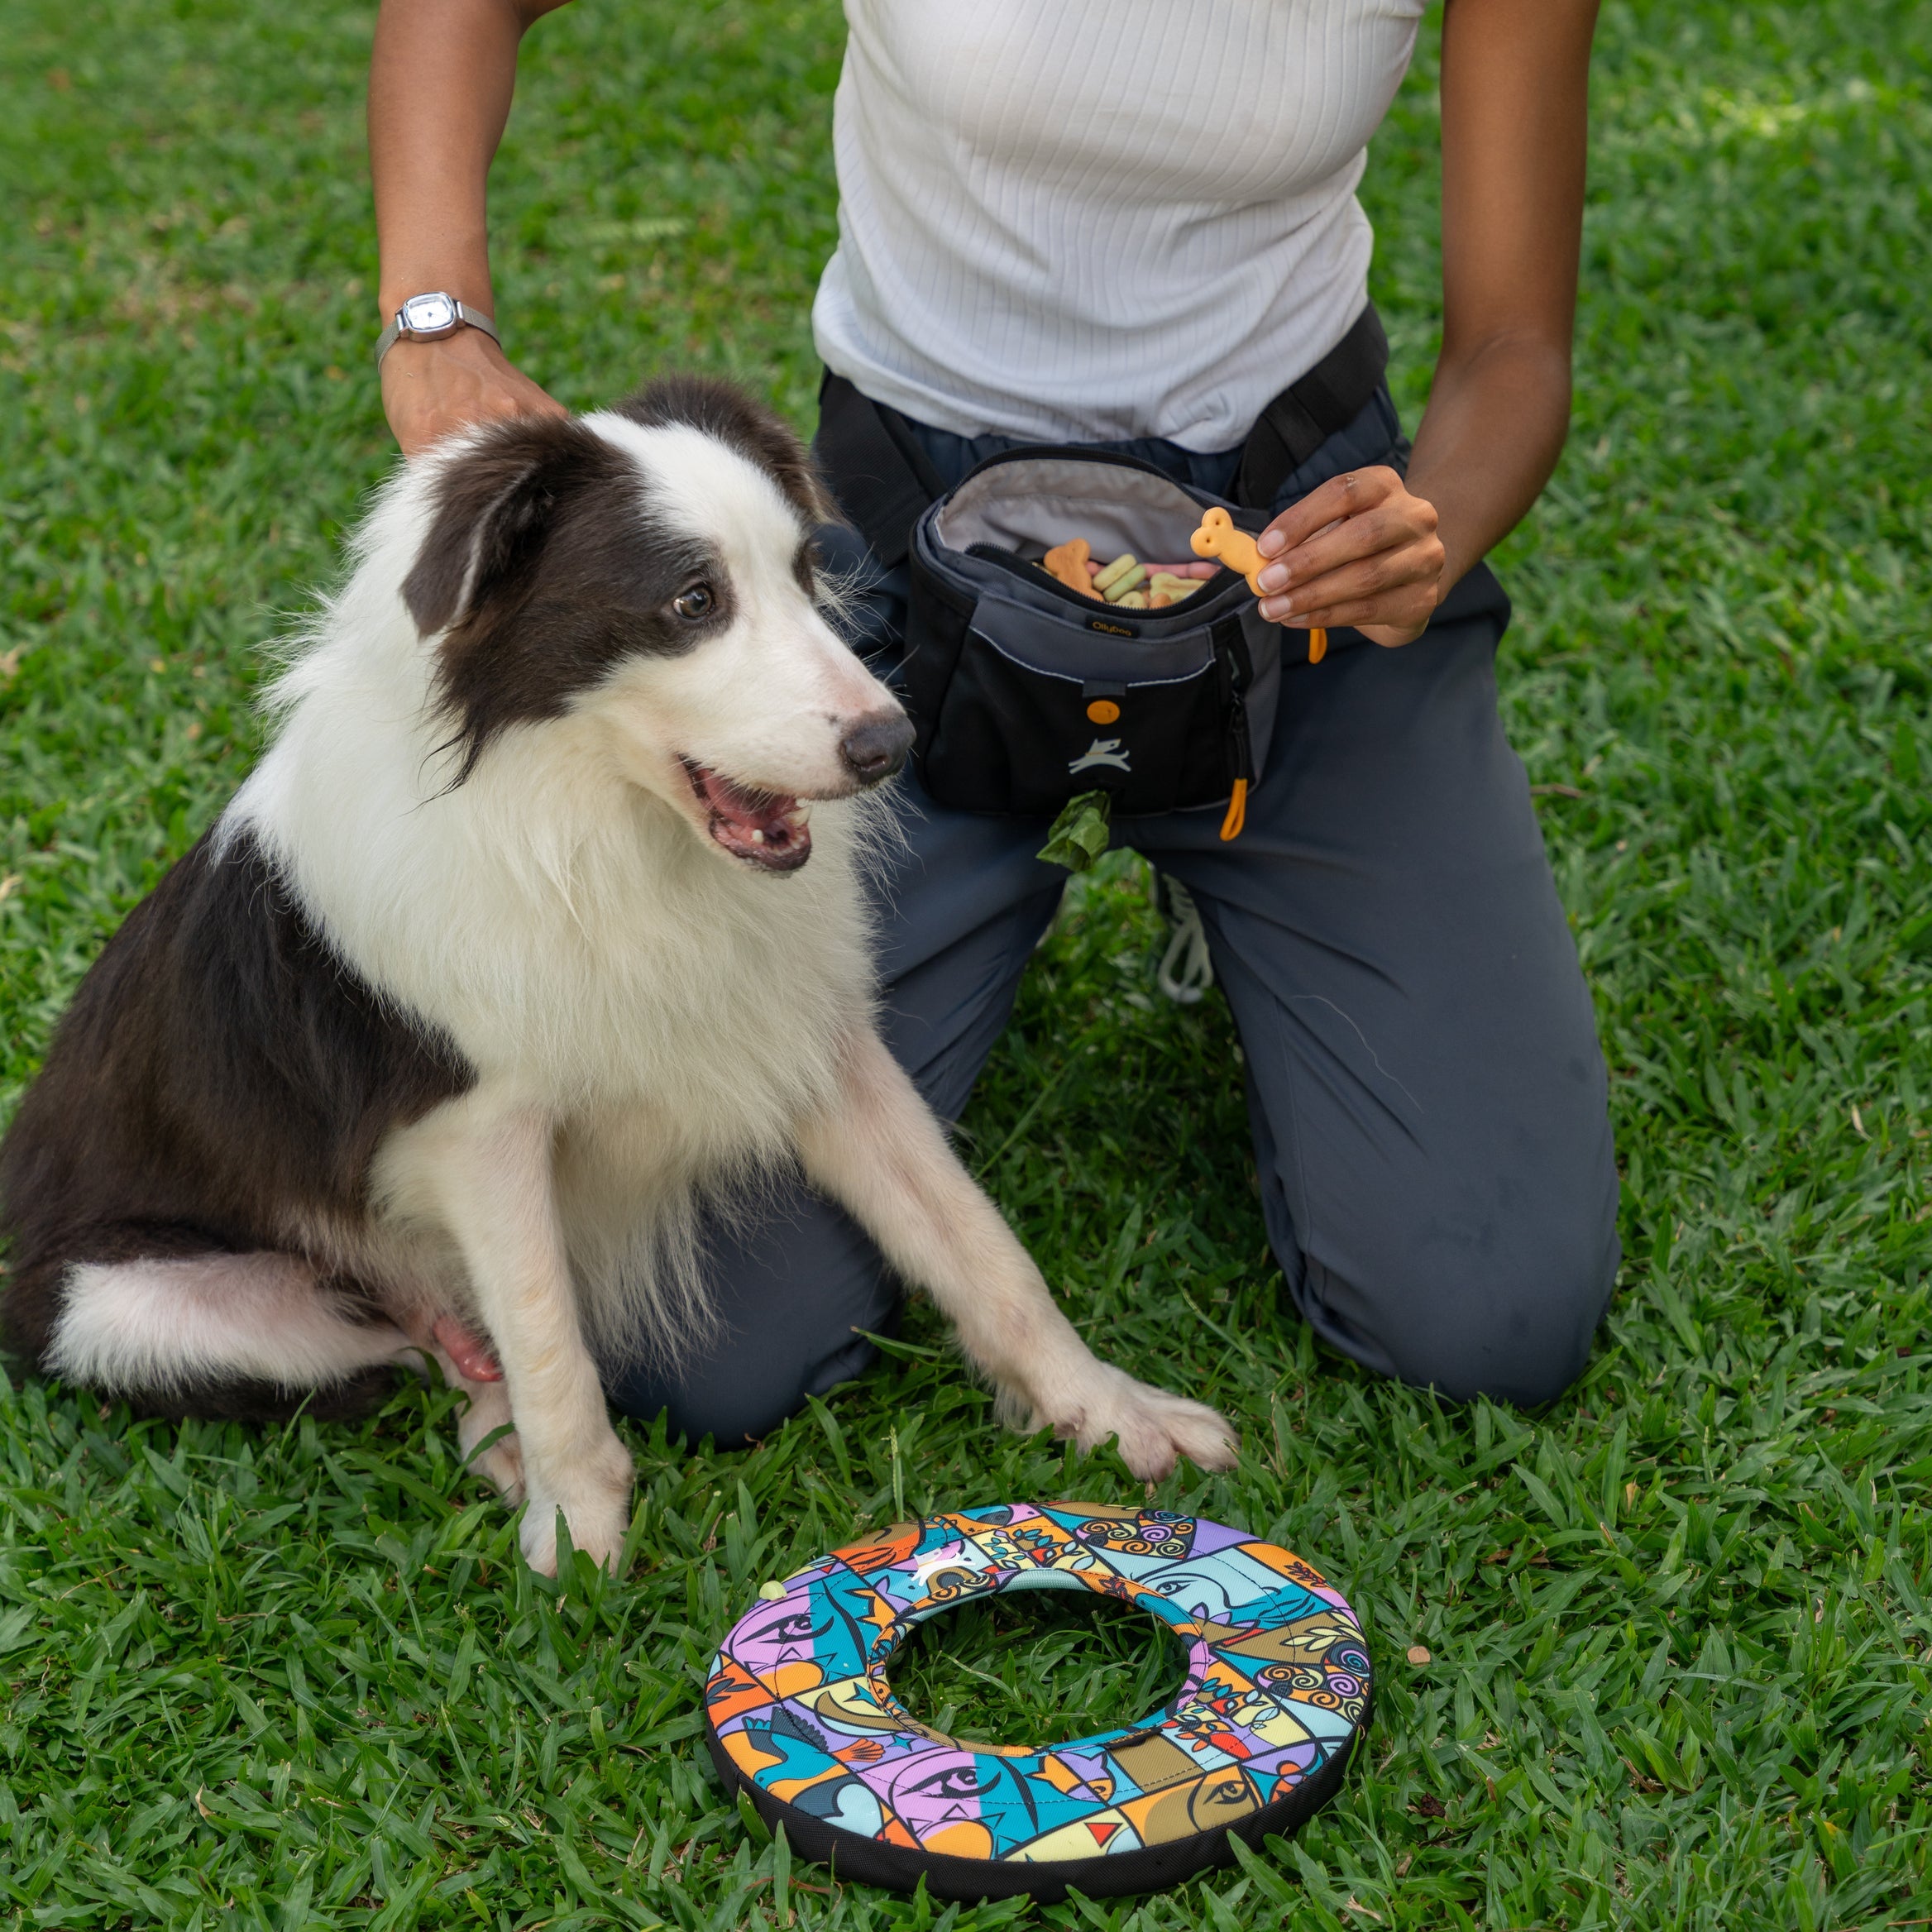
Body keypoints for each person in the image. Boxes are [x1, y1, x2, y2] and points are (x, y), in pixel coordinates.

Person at [367, 0, 1619, 1442]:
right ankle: (1007, 881)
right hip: (920, 561)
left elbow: (1515, 346)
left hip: (1292, 559)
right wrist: (434, 317)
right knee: (705, 1351)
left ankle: (1228, 888)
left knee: (1492, 1321)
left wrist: (1427, 535)